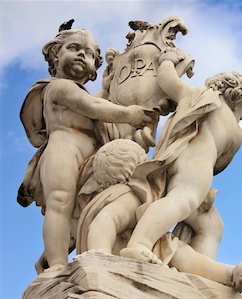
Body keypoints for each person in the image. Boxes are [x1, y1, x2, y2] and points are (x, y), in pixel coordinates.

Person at [18, 25, 154, 273]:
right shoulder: (58, 87)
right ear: (56, 55)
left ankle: (50, 260)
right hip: (63, 150)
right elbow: (92, 107)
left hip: (88, 155)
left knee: (76, 211)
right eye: (74, 48)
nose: (82, 54)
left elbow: (96, 102)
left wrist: (108, 85)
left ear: (94, 68)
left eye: (90, 53)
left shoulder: (78, 90)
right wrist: (129, 114)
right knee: (60, 204)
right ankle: (57, 267)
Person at [119, 48, 242, 265]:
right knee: (183, 200)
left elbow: (168, 80)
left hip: (178, 157)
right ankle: (140, 243)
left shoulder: (198, 97)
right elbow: (220, 164)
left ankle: (202, 272)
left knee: (211, 224)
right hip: (199, 165)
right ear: (237, 95)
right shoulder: (235, 131)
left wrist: (168, 60)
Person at [76, 139, 242, 292]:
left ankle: (229, 274)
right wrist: (100, 254)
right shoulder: (128, 196)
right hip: (122, 254)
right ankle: (227, 274)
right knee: (183, 254)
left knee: (180, 251)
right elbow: (106, 220)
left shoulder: (133, 198)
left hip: (148, 251)